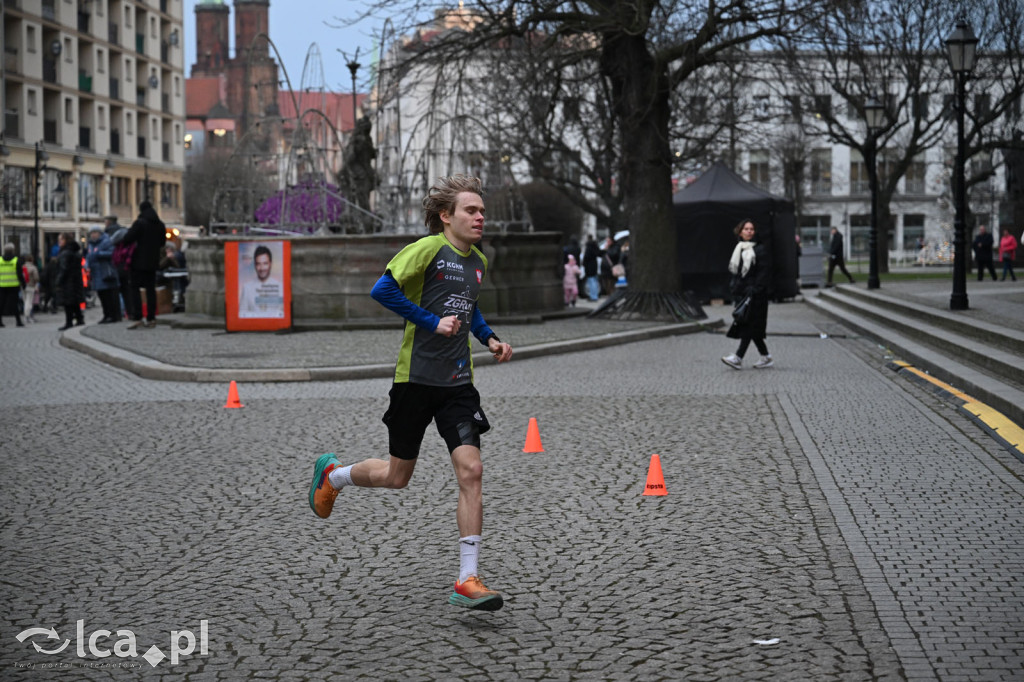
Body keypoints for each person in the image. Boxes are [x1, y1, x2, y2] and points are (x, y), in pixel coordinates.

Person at [307, 175, 513, 612]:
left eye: (482, 211)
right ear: (446, 216)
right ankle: (334, 476)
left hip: (458, 384)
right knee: (397, 477)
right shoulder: (426, 250)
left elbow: (468, 307)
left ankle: (468, 578)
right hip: (414, 380)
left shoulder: (478, 261)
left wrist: (489, 338)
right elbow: (382, 290)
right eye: (470, 210)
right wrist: (429, 322)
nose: (480, 217)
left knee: (471, 470)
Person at [722, 219, 773, 370]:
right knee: (752, 327)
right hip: (742, 293)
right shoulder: (740, 248)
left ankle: (738, 357)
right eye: (746, 229)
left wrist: (755, 289)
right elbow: (737, 273)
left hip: (756, 295)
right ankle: (766, 357)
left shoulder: (760, 250)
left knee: (749, 326)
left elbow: (764, 272)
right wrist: (734, 287)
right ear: (740, 231)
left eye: (751, 229)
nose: (749, 231)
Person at [122, 201, 166, 329]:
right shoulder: (160, 224)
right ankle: (151, 317)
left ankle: (138, 316)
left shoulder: (140, 223)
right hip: (153, 262)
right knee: (150, 289)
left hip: (137, 262)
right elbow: (162, 243)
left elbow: (127, 238)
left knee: (135, 289)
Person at [85, 227, 121, 323]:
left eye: (95, 232)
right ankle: (106, 315)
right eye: (92, 233)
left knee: (108, 296)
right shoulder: (91, 244)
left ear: (100, 233)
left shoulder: (106, 241)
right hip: (96, 273)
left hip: (106, 272)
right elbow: (88, 256)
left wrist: (98, 254)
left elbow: (112, 253)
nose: (93, 235)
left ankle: (112, 315)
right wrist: (87, 265)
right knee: (102, 296)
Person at [238, 245, 283, 317]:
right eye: (258, 264)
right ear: (255, 265)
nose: (262, 268)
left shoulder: (281, 287)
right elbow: (242, 314)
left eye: (265, 263)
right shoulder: (247, 288)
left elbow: (282, 314)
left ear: (270, 264)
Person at [54, 232, 85, 330]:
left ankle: (69, 322)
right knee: (74, 301)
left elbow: (64, 268)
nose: (59, 242)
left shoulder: (65, 253)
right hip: (75, 280)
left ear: (66, 240)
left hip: (68, 282)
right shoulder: (74, 251)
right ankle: (79, 319)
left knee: (68, 302)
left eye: (61, 239)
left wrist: (58, 281)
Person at [0, 244, 25, 327]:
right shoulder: (16, 260)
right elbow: (20, 274)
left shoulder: (0, 260)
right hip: (14, 286)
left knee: (1, 304)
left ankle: (0, 322)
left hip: (2, 285)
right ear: (13, 251)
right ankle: (18, 321)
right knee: (15, 304)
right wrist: (23, 284)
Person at [581, 235, 600, 301]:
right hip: (594, 265)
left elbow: (586, 257)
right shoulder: (595, 246)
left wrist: (583, 263)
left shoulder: (589, 247)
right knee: (594, 281)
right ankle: (595, 295)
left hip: (589, 266)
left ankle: (593, 296)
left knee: (591, 281)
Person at [21, 254, 39, 323]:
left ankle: (26, 316)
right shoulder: (33, 267)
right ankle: (27, 316)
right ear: (32, 259)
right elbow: (36, 278)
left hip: (23, 286)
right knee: (29, 302)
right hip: (31, 286)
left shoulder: (22, 267)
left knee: (25, 301)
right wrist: (36, 283)